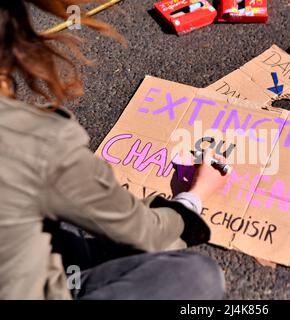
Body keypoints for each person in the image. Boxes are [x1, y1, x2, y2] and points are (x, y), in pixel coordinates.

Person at [0, 0, 230, 300]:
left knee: (74, 228)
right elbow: (144, 232)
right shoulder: (35, 140)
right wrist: (194, 198)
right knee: (195, 275)